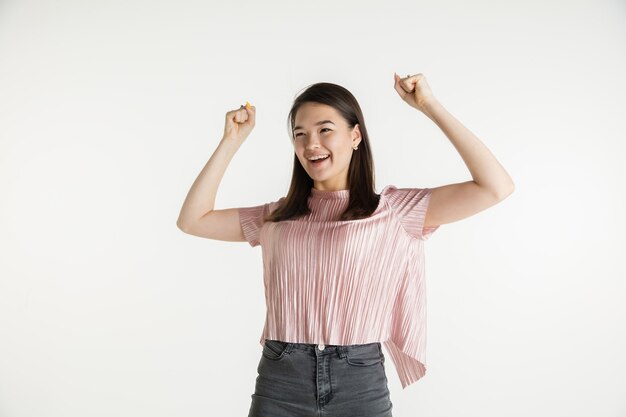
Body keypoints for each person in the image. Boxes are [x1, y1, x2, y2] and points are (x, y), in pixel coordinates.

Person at [176, 73, 515, 416]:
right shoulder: (276, 217)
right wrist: (231, 141)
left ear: (355, 135)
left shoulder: (394, 211)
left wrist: (429, 105)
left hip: (359, 379)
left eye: (325, 129)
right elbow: (193, 219)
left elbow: (495, 186)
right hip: (281, 380)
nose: (311, 144)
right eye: (300, 134)